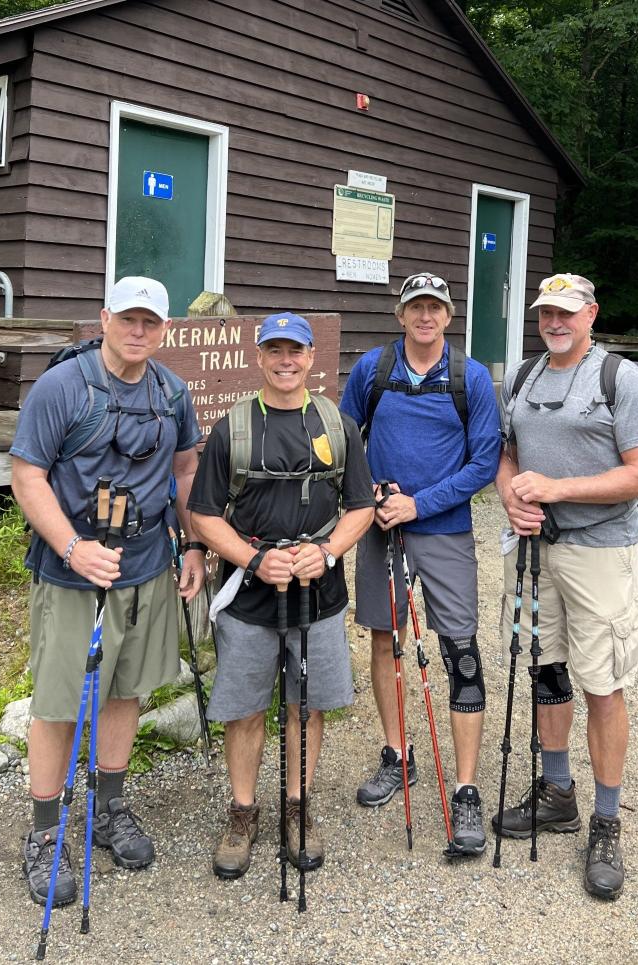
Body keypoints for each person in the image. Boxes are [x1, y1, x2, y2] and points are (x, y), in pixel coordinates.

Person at [10, 276, 205, 906]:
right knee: (60, 701)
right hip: (71, 571)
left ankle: (110, 806)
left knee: (126, 691)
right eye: (128, 319)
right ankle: (44, 834)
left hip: (146, 565)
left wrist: (193, 543)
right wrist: (72, 547)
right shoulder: (61, 387)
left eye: (150, 321)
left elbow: (183, 471)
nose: (139, 331)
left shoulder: (171, 394)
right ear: (105, 318)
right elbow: (27, 475)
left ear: (165, 329)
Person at [491, 272, 638, 899]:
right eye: (545, 313)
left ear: (591, 313)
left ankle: (607, 820)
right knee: (547, 670)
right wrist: (512, 495)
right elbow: (508, 454)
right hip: (537, 551)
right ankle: (557, 792)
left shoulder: (622, 379)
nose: (554, 323)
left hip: (600, 553)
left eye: (566, 312)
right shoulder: (523, 377)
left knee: (604, 685)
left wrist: (557, 490)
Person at [187, 312, 374, 880]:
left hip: (319, 594)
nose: (286, 361)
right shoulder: (233, 428)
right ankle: (243, 812)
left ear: (312, 357)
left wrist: (328, 552)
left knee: (306, 704)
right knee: (245, 709)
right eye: (275, 351)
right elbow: (202, 514)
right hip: (249, 595)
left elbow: (360, 506)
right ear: (260, 356)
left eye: (296, 351)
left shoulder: (337, 425)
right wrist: (253, 560)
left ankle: (298, 806)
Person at [340, 271, 502, 856]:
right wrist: (371, 493)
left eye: (435, 307)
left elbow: (484, 463)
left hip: (445, 531)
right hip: (382, 528)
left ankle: (464, 788)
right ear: (401, 314)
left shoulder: (471, 378)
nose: (425, 316)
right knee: (386, 641)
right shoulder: (373, 369)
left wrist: (420, 502)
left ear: (449, 315)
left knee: (461, 648)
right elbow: (343, 435)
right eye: (415, 307)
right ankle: (396, 754)